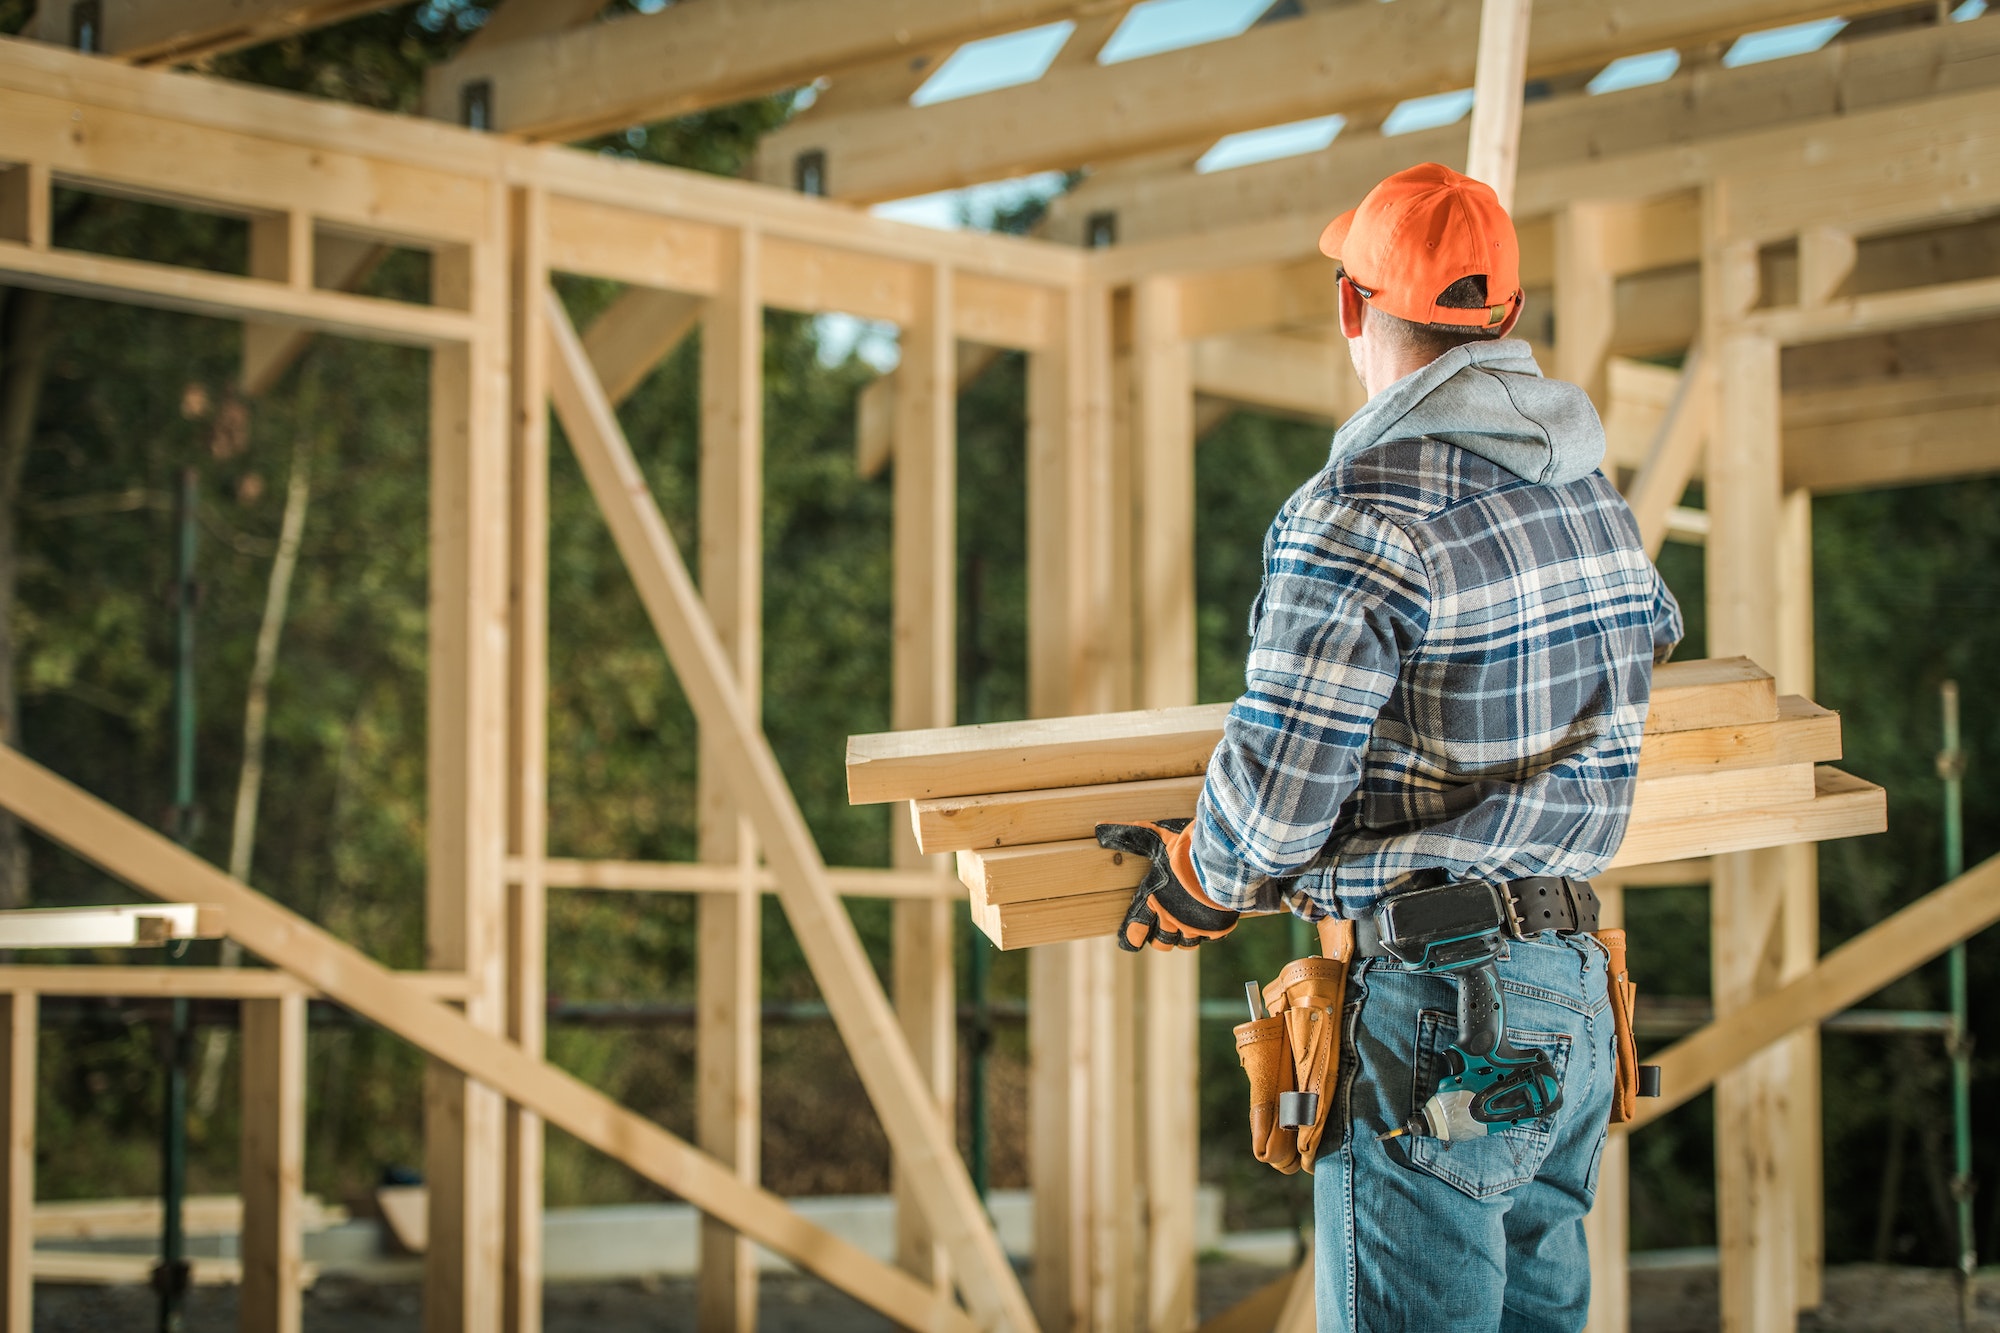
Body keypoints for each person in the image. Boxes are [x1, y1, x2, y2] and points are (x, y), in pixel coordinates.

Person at [1096, 163, 1683, 1331]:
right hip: (1567, 990)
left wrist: (1201, 879)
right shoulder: (1589, 499)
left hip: (1437, 1002)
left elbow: (1275, 789)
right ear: (1504, 317)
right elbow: (1651, 635)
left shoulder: (1356, 510)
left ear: (1351, 306)